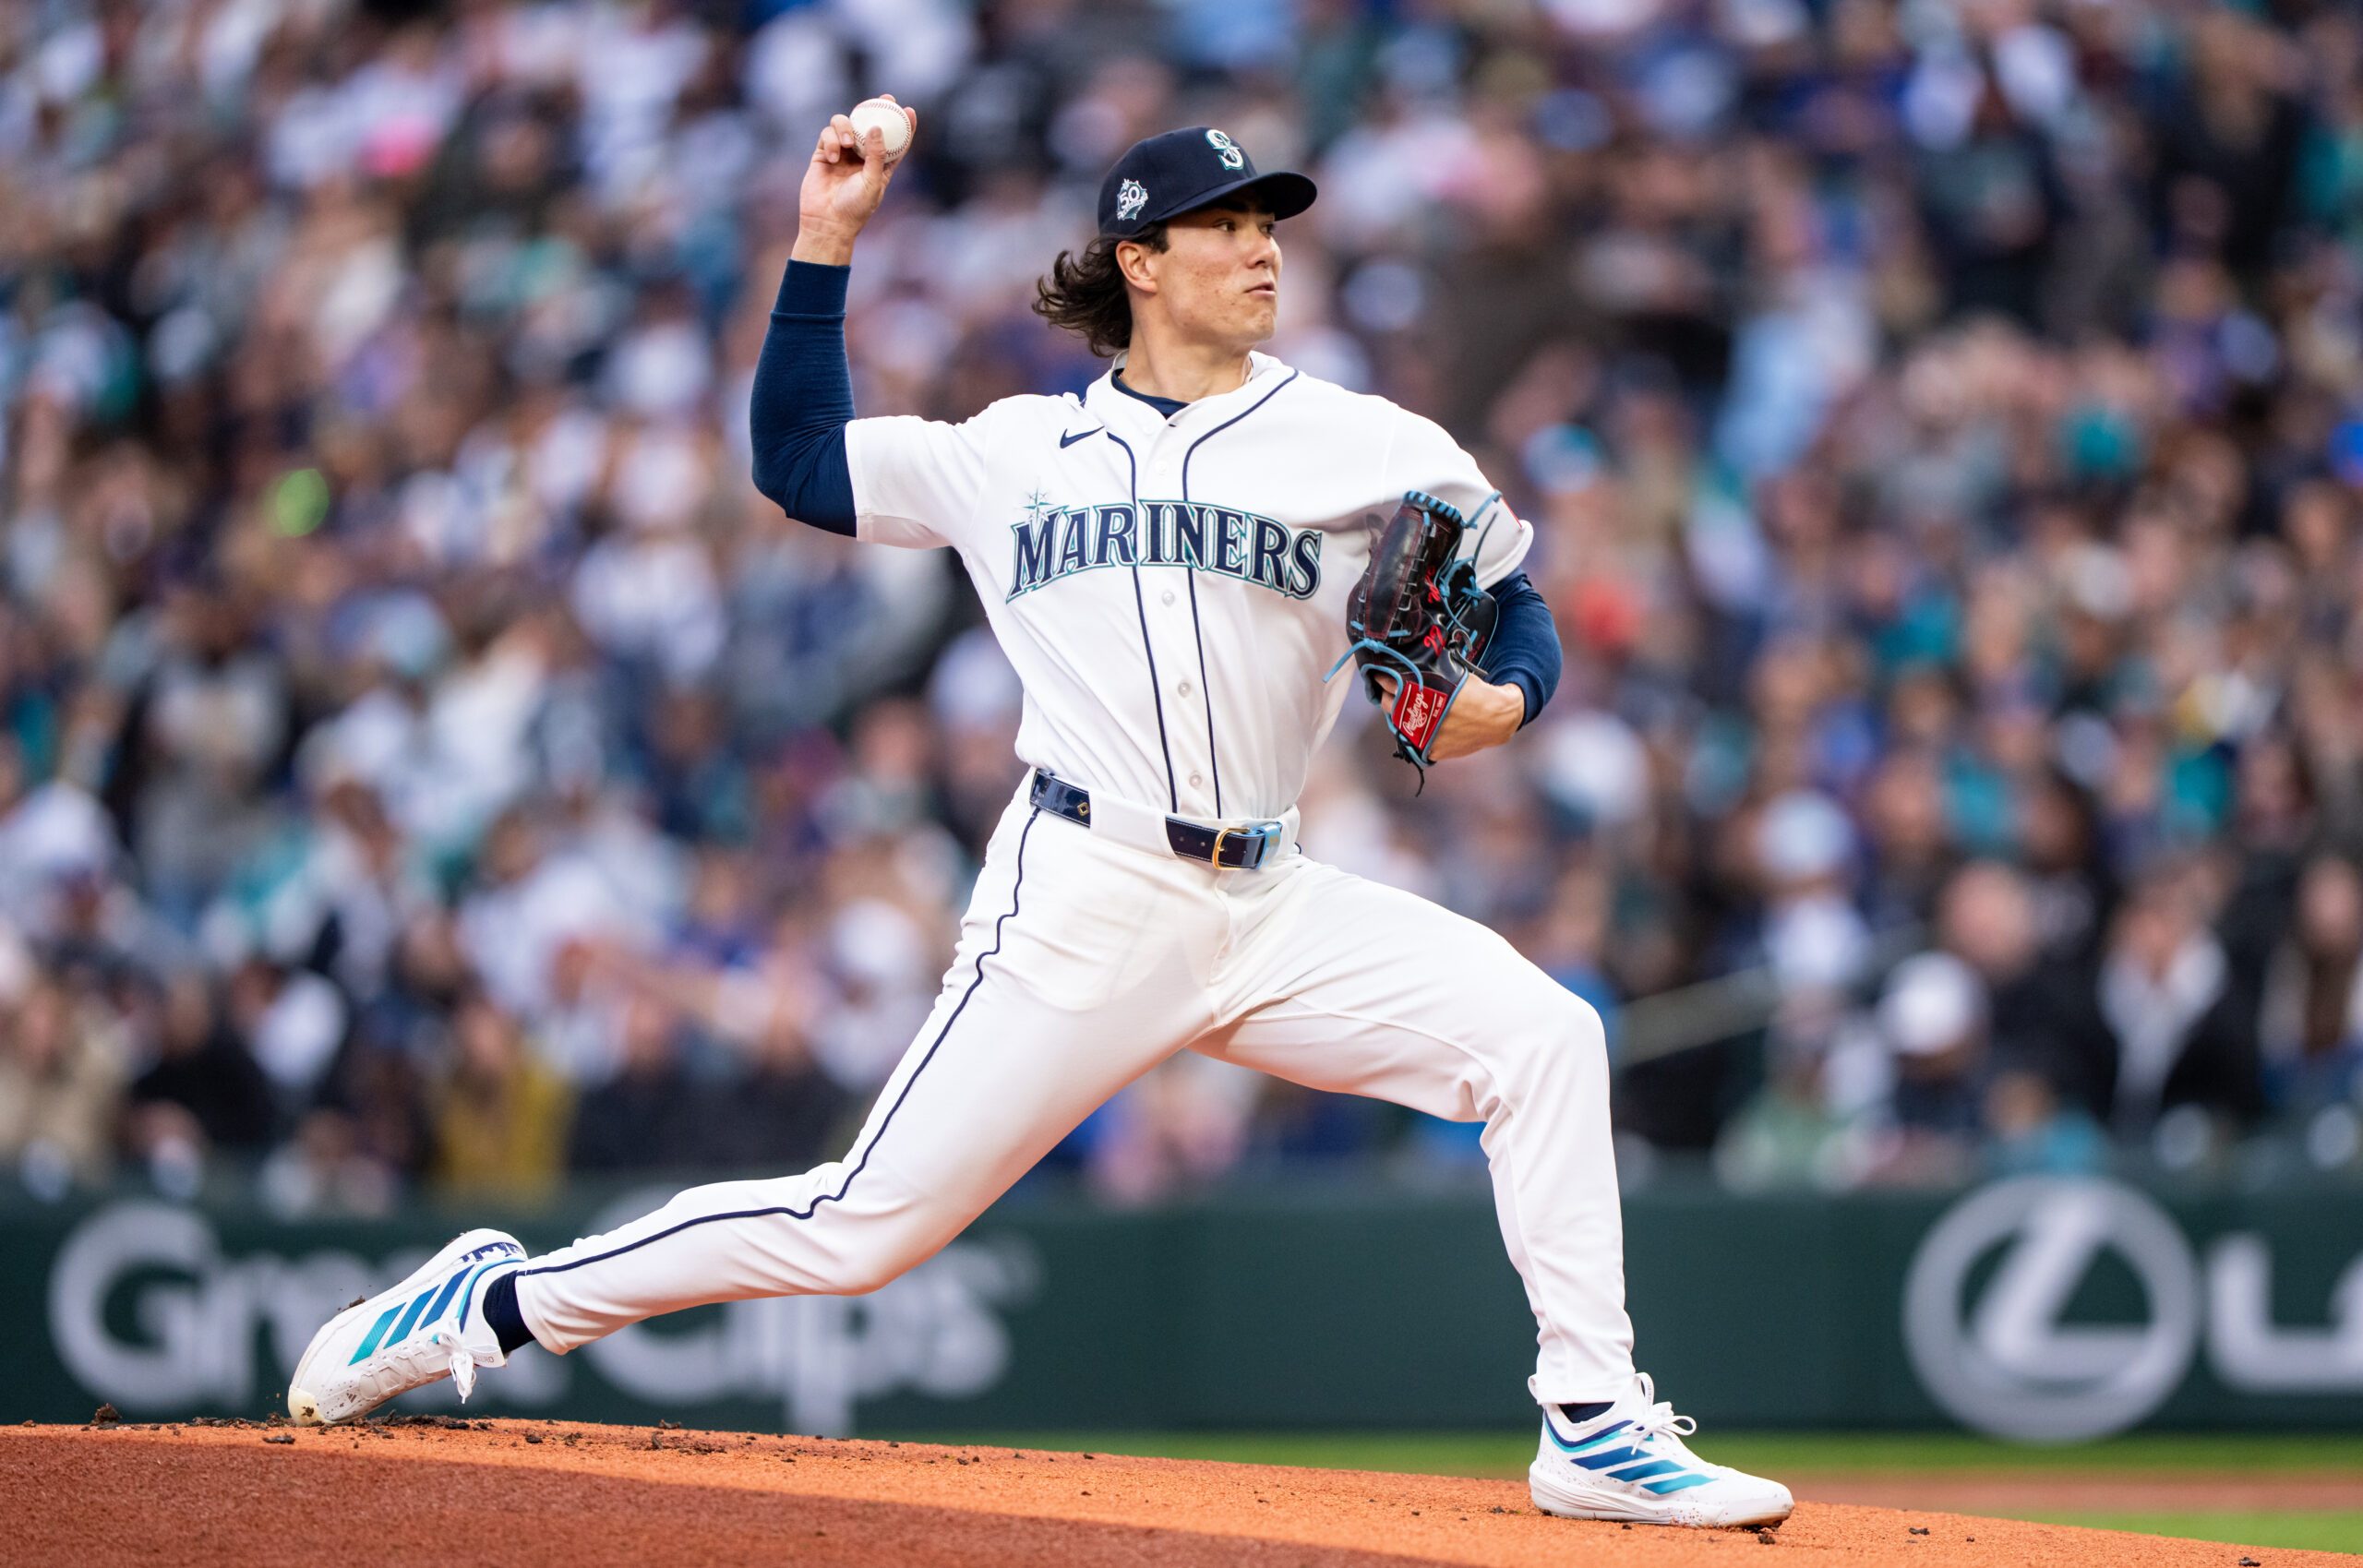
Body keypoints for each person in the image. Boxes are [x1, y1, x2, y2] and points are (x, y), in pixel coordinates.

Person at [289, 103, 1792, 1530]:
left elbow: (1513, 595)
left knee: (1544, 1036)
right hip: (1085, 891)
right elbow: (799, 462)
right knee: (858, 1230)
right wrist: (825, 238)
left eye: (1272, 220)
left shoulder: (1367, 441)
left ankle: (1593, 1424)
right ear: (1140, 262)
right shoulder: (1013, 451)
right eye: (1225, 225)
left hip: (1272, 898)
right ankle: (492, 1302)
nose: (1264, 245)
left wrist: (1506, 703)